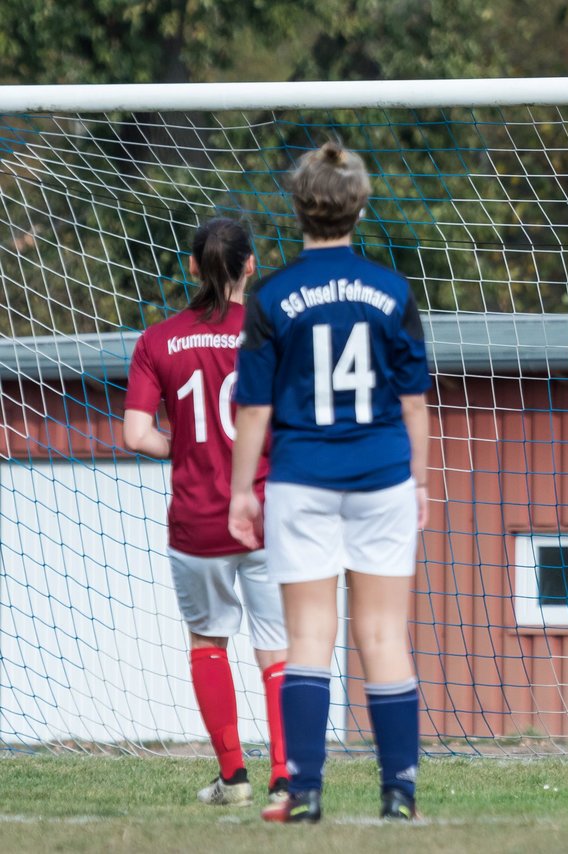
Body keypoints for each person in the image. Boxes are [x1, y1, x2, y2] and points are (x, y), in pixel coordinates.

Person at [228, 140, 431, 823]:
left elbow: (253, 408)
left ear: (298, 206)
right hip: (381, 477)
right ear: (360, 205)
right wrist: (421, 483)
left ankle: (304, 791)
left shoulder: (271, 296)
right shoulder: (392, 291)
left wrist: (238, 492)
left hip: (301, 478)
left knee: (309, 635)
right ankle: (399, 792)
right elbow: (413, 403)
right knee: (383, 634)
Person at [123, 218, 289, 806]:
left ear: (192, 267)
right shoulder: (273, 335)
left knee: (207, 641)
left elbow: (136, 433)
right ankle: (285, 778)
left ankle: (233, 777)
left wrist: (187, 449)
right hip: (266, 514)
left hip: (197, 524)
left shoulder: (157, 341)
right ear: (251, 266)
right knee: (277, 649)